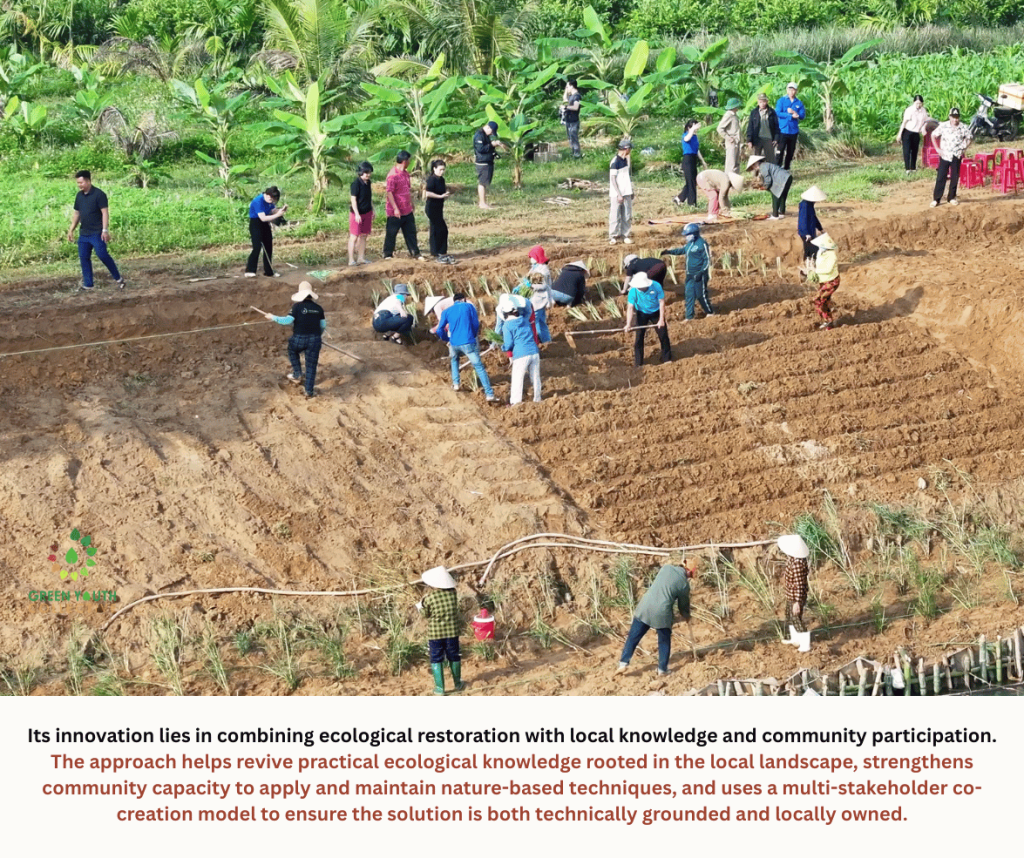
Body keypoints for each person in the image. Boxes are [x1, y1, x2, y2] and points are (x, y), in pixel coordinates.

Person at [616, 559, 697, 676]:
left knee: (633, 637)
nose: (689, 578)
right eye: (691, 575)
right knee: (664, 640)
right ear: (689, 572)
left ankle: (623, 663)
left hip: (644, 606)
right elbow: (683, 605)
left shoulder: (666, 568)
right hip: (661, 612)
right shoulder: (684, 584)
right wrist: (687, 615)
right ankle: (662, 669)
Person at [263, 281, 326, 399]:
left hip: (299, 337)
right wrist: (318, 336)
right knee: (311, 365)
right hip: (315, 340)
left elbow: (287, 321)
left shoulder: (297, 307)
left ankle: (297, 374)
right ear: (311, 295)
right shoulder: (319, 308)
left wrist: (273, 317)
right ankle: (309, 391)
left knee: (292, 350)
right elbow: (323, 325)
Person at [68, 170, 126, 291]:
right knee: (84, 258)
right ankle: (88, 284)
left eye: (81, 182)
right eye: (78, 183)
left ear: (88, 181)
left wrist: (105, 230)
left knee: (102, 255)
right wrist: (71, 230)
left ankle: (118, 278)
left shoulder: (99, 194)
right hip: (84, 233)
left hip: (97, 233)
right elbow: (77, 214)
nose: (79, 185)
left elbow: (105, 213)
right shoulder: (79, 196)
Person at [436, 292, 496, 401]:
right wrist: (473, 335)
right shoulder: (469, 307)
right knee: (479, 367)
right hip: (468, 342)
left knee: (454, 360)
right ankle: (489, 394)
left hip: (454, 343)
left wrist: (447, 339)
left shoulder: (446, 311)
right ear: (463, 299)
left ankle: (456, 384)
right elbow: (475, 324)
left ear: (454, 301)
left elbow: (439, 329)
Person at [415, 565, 465, 695]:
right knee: (454, 656)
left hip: (435, 634)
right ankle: (458, 683)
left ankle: (440, 688)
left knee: (436, 658)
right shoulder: (453, 594)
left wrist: (420, 606)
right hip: (452, 632)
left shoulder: (429, 598)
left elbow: (425, 614)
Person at [661, 222, 713, 320]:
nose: (686, 237)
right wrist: (669, 252)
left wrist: (701, 272)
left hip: (700, 275)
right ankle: (689, 317)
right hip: (690, 274)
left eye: (688, 235)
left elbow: (707, 260)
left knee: (700, 295)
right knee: (689, 295)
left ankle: (710, 312)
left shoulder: (702, 244)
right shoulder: (689, 244)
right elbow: (681, 250)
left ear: (695, 234)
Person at [624, 271, 671, 367]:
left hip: (656, 312)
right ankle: (638, 363)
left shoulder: (656, 286)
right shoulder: (633, 291)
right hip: (641, 313)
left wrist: (661, 319)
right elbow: (630, 308)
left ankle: (667, 358)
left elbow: (661, 302)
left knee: (663, 335)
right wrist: (628, 324)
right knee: (639, 337)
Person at [382, 151, 424, 260]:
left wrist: (411, 202)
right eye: (409, 160)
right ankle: (387, 254)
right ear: (404, 161)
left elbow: (407, 190)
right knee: (391, 233)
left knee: (411, 232)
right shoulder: (392, 175)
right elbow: (389, 192)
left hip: (407, 208)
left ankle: (415, 252)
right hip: (395, 211)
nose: (410, 162)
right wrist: (395, 208)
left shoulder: (406, 174)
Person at [501, 298, 541, 406]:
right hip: (534, 352)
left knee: (517, 379)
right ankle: (537, 399)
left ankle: (515, 402)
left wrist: (503, 347)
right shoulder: (524, 320)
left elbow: (509, 344)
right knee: (535, 377)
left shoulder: (507, 326)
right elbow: (529, 310)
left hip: (521, 355)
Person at [776, 534, 811, 653]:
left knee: (796, 618)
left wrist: (797, 602)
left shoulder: (797, 564)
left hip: (796, 596)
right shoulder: (793, 559)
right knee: (789, 616)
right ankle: (795, 639)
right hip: (791, 594)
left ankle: (805, 645)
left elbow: (799, 584)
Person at [931, 107, 972, 207]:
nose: (955, 119)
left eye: (957, 117)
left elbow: (969, 138)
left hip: (956, 155)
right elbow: (933, 135)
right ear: (950, 117)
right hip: (945, 155)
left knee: (955, 177)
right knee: (941, 176)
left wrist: (963, 148)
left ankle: (952, 197)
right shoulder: (944, 126)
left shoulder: (963, 127)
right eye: (953, 117)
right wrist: (937, 149)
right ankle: (936, 199)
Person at [244, 186, 287, 278]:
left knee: (268, 246)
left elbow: (272, 210)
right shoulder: (258, 201)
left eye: (274, 200)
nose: (272, 201)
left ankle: (269, 271)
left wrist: (280, 211)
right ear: (267, 195)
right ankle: (250, 270)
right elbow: (263, 218)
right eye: (271, 199)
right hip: (256, 223)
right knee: (257, 247)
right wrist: (277, 215)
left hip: (265, 224)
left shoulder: (270, 201)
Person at [424, 159, 455, 263]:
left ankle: (437, 251)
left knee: (437, 229)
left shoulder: (441, 180)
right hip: (432, 207)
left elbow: (442, 191)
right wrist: (440, 196)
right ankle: (438, 251)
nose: (442, 172)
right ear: (434, 169)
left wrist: (445, 195)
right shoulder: (431, 179)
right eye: (440, 169)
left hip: (439, 207)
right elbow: (427, 193)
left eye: (443, 170)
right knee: (440, 229)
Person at [521, 245, 552, 344]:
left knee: (531, 323)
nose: (531, 259)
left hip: (539, 300)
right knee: (541, 323)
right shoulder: (534, 268)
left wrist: (531, 286)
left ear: (537, 257)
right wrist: (521, 285)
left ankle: (532, 342)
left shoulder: (543, 270)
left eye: (532, 257)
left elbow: (544, 286)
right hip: (536, 300)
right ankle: (546, 341)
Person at [809, 232, 840, 330]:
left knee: (818, 300)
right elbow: (820, 265)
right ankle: (828, 321)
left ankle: (828, 321)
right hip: (824, 281)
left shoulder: (832, 255)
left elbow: (828, 269)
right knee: (824, 301)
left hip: (831, 281)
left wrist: (816, 271)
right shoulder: (820, 252)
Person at [747, 154, 792, 220]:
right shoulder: (765, 165)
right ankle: (781, 212)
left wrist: (765, 187)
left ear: (755, 164)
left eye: (753, 166)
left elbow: (768, 180)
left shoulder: (762, 167)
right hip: (787, 177)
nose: (753, 168)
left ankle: (775, 215)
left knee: (775, 195)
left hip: (781, 178)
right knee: (782, 195)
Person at [674, 120, 707, 206]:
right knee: (691, 182)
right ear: (689, 128)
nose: (696, 129)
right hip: (687, 160)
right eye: (694, 127)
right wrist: (692, 130)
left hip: (693, 159)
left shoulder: (695, 137)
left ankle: (679, 198)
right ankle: (692, 203)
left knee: (693, 181)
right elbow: (686, 139)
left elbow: (697, 150)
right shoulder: (686, 135)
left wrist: (703, 161)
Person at [608, 139, 634, 245]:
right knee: (615, 215)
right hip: (616, 194)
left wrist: (631, 190)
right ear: (626, 149)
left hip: (627, 192)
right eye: (629, 149)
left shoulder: (625, 160)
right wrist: (619, 194)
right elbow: (613, 179)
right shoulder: (615, 162)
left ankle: (625, 235)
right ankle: (613, 236)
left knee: (627, 215)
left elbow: (627, 177)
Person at [348, 162, 374, 266]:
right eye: (366, 172)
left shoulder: (368, 183)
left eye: (369, 172)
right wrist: (357, 214)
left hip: (367, 212)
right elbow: (353, 200)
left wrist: (373, 210)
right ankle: (351, 260)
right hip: (357, 214)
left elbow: (369, 198)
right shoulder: (356, 184)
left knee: (364, 236)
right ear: (360, 172)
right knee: (354, 237)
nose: (368, 175)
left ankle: (361, 258)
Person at [775, 82, 805, 170]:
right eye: (790, 90)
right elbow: (778, 113)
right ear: (787, 90)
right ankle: (777, 169)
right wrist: (789, 115)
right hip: (783, 130)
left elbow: (802, 115)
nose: (791, 92)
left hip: (793, 131)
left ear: (796, 91)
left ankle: (786, 168)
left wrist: (795, 113)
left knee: (790, 152)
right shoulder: (781, 100)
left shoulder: (799, 103)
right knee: (780, 151)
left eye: (793, 90)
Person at [896, 95, 930, 173]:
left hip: (916, 133)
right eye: (917, 103)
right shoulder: (909, 110)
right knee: (907, 150)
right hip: (907, 132)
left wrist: (923, 128)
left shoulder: (923, 111)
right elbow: (904, 122)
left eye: (920, 103)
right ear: (914, 102)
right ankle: (907, 168)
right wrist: (899, 134)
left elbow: (925, 121)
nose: (918, 105)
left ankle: (913, 167)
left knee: (914, 150)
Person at [797, 184, 827, 266]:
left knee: (810, 249)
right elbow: (803, 220)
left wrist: (820, 228)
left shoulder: (809, 205)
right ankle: (808, 265)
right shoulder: (805, 206)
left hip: (810, 231)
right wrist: (806, 234)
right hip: (806, 232)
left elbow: (814, 218)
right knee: (812, 249)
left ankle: (809, 264)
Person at [746, 93, 780, 165]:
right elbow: (750, 127)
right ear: (758, 102)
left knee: (770, 159)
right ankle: (757, 172)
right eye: (760, 102)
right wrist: (749, 140)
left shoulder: (772, 112)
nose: (762, 104)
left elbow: (776, 126)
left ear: (767, 101)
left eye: (764, 101)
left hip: (769, 139)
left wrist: (776, 138)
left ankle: (771, 171)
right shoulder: (754, 112)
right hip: (757, 139)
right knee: (756, 159)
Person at [474, 120, 500, 209]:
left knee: (484, 183)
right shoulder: (479, 135)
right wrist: (491, 145)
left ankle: (483, 202)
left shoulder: (485, 135)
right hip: (482, 162)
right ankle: (482, 203)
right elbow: (480, 149)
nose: (491, 134)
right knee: (482, 183)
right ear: (488, 128)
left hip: (487, 161)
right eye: (491, 132)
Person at [716, 97, 743, 175]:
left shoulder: (734, 115)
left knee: (736, 162)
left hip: (736, 141)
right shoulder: (728, 115)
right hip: (731, 141)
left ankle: (735, 179)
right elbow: (720, 128)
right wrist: (728, 138)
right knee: (731, 163)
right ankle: (728, 179)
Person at [562, 78, 582, 158]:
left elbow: (575, 107)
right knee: (570, 138)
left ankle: (577, 154)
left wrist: (566, 107)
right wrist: (565, 91)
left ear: (572, 86)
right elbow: (565, 100)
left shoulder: (577, 96)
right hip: (569, 120)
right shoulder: (571, 96)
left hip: (574, 121)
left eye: (567, 87)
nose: (566, 88)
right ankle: (573, 153)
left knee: (574, 138)